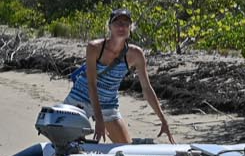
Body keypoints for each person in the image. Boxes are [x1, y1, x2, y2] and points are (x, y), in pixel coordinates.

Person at [66, 11, 173, 146]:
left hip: (108, 104)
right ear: (110, 27)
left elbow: (146, 88)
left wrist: (163, 120)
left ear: (130, 28)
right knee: (67, 144)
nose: (121, 27)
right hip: (80, 98)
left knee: (126, 147)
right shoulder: (94, 47)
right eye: (117, 23)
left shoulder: (136, 54)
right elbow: (92, 84)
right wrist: (99, 120)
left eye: (126, 24)